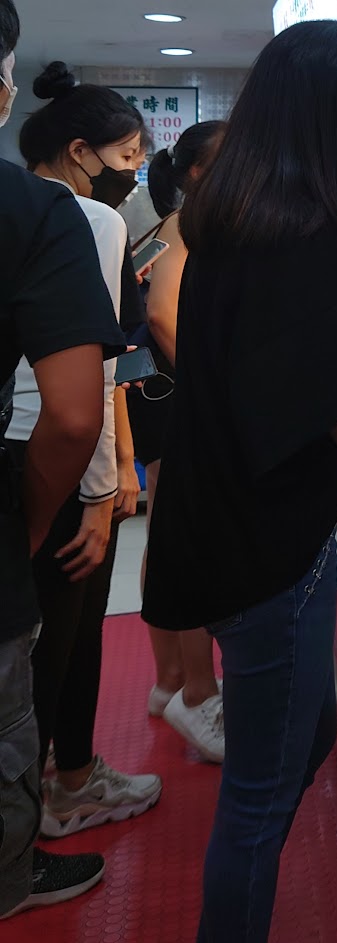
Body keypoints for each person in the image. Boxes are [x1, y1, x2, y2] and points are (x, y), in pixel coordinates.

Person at [140, 21, 337, 942]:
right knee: (259, 790)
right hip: (268, 545)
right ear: (331, 116)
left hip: (231, 517)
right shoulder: (295, 235)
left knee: (300, 737)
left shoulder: (238, 217)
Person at [8, 61, 162, 840]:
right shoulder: (87, 220)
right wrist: (103, 490)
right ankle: (57, 796)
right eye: (128, 156)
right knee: (61, 639)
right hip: (56, 457)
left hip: (14, 441)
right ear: (79, 152)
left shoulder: (16, 204)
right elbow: (89, 384)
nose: (134, 174)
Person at [0, 0, 126, 917]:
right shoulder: (47, 215)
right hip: (24, 476)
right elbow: (80, 407)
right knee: (36, 675)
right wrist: (47, 513)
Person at [132, 121, 227, 763]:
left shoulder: (185, 226)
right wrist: (209, 388)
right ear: (196, 172)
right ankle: (195, 689)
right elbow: (162, 314)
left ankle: (170, 678)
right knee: (187, 539)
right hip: (169, 397)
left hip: (162, 394)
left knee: (169, 534)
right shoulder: (183, 227)